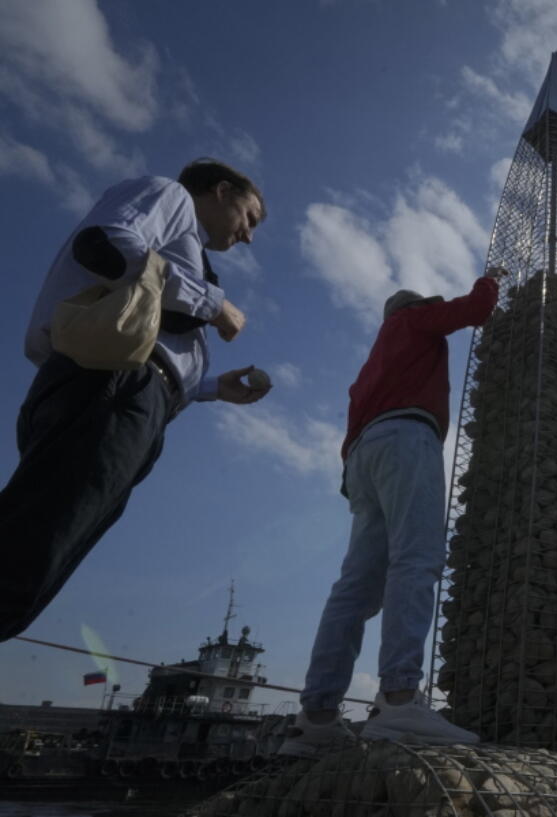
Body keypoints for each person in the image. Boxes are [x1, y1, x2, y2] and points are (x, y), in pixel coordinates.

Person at [0, 159, 272, 642]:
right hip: (110, 387)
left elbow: (145, 325)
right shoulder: (167, 195)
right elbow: (105, 245)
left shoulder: (179, 236)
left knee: (45, 554)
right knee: (29, 552)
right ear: (222, 191)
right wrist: (213, 304)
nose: (249, 236)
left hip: (122, 395)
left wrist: (209, 388)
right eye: (249, 218)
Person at [278, 267, 506, 758]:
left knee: (355, 588)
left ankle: (315, 717)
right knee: (416, 559)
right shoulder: (410, 319)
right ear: (411, 306)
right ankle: (400, 697)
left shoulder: (370, 368)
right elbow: (476, 310)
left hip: (361, 458)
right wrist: (491, 280)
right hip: (406, 439)